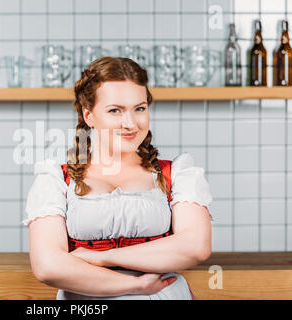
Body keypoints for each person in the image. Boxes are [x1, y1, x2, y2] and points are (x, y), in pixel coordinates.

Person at [22, 56, 213, 300]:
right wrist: (135, 286)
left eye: (140, 108)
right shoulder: (56, 180)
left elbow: (195, 246)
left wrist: (101, 257)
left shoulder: (176, 173)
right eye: (115, 110)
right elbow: (48, 266)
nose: (130, 123)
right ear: (89, 116)